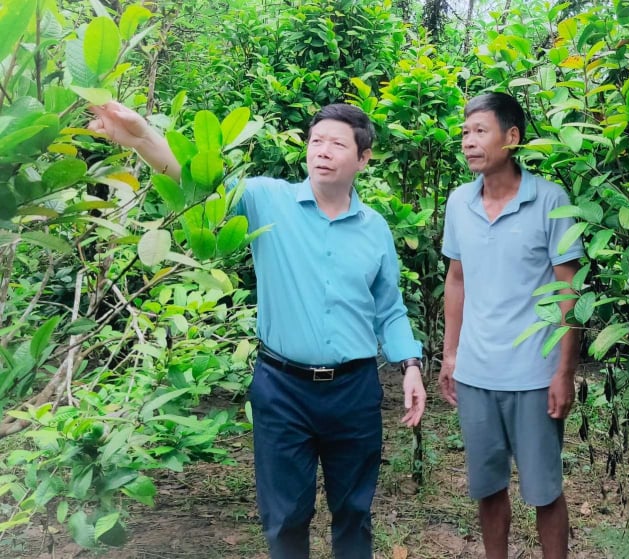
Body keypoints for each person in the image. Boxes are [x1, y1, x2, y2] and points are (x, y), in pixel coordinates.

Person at [88, 101, 426, 559]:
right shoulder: (268, 199)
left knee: (353, 511)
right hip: (283, 388)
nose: (322, 151)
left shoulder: (375, 229)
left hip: (354, 391)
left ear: (363, 159)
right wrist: (142, 135)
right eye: (316, 141)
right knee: (285, 516)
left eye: (337, 144)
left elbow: (389, 307)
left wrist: (410, 364)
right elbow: (200, 185)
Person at [438, 92, 584, 559]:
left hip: (534, 375)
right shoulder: (459, 202)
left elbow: (568, 291)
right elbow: (456, 279)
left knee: (543, 490)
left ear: (512, 137)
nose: (468, 142)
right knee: (487, 485)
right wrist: (451, 353)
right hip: (477, 374)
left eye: (480, 131)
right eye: (464, 133)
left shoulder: (549, 200)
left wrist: (564, 372)